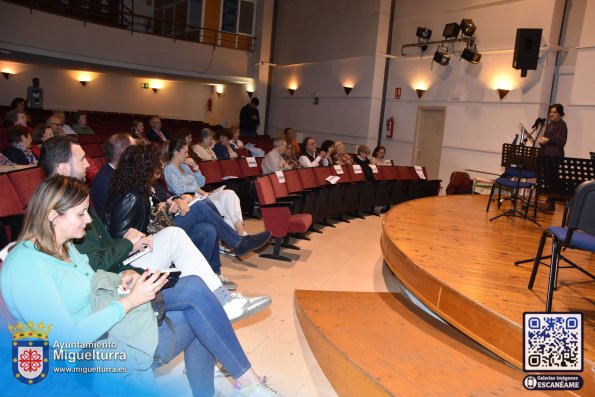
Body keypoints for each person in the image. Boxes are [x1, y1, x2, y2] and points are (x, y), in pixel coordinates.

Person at [0, 175, 284, 397]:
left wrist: (122, 279)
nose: (88, 221)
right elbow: (65, 341)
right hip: (89, 359)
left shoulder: (63, 245)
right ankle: (247, 384)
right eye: (80, 214)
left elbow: (92, 282)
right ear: (52, 215)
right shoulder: (27, 267)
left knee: (198, 293)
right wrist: (129, 302)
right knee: (201, 311)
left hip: (108, 327)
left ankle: (236, 386)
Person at [41, 135, 272, 319]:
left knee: (202, 229)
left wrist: (136, 237)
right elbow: (98, 261)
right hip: (115, 271)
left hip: (123, 255)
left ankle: (219, 293)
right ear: (63, 168)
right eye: (81, 159)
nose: (88, 164)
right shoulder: (61, 212)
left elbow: (106, 242)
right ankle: (228, 274)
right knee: (182, 227)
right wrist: (129, 242)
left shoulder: (73, 201)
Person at [163, 139, 250, 236]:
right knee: (228, 207)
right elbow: (178, 189)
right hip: (190, 201)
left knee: (230, 194)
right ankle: (240, 235)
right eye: (186, 152)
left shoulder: (185, 166)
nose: (188, 155)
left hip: (200, 196)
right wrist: (198, 190)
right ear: (176, 153)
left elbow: (201, 183)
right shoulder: (169, 169)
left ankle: (239, 232)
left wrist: (196, 168)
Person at [537, 103, 568, 212]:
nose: (551, 114)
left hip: (555, 156)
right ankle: (547, 202)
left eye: (554, 112)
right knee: (547, 180)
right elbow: (546, 139)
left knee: (552, 180)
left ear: (560, 114)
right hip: (546, 155)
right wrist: (542, 141)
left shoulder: (562, 125)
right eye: (550, 112)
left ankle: (551, 204)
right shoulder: (549, 125)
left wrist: (548, 140)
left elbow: (561, 141)